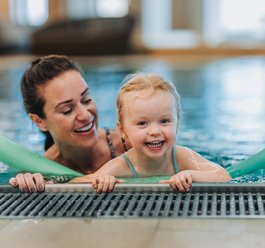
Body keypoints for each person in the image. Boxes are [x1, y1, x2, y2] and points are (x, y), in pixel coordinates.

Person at [85, 73, 231, 193]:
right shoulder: (121, 166)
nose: (155, 131)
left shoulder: (181, 156)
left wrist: (190, 174)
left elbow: (223, 175)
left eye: (164, 121)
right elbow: (76, 181)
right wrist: (101, 179)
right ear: (123, 130)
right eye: (142, 123)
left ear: (177, 123)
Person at [9, 54, 129, 192]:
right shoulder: (42, 171)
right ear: (39, 121)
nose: (85, 115)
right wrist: (26, 180)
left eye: (86, 100)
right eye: (67, 110)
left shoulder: (128, 144)